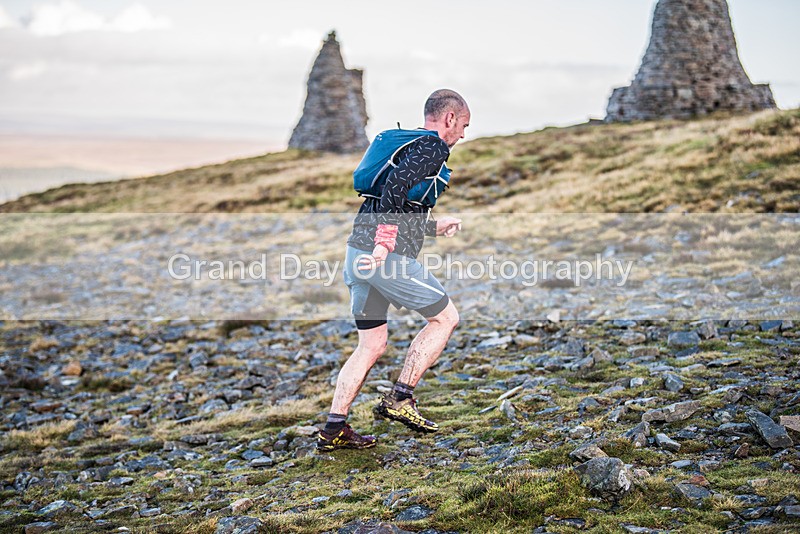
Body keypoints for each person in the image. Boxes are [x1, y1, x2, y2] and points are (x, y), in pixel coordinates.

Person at [317, 89, 470, 451]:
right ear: (449, 118)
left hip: (358, 254)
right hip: (386, 259)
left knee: (371, 345)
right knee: (445, 319)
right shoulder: (433, 146)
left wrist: (432, 226)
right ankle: (400, 398)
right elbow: (397, 187)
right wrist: (385, 244)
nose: (463, 134)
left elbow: (392, 198)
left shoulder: (406, 145)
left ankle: (333, 428)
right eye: (463, 125)